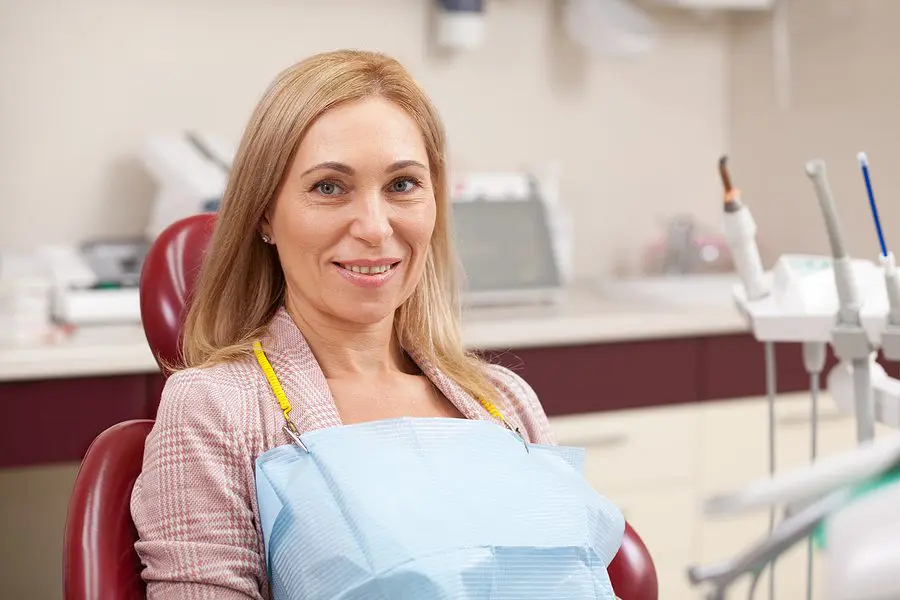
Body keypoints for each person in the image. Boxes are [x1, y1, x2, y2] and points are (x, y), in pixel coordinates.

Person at [131, 49, 623, 600]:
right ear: (264, 214)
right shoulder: (218, 409)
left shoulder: (503, 403)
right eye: (329, 187)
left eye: (402, 185)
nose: (374, 226)